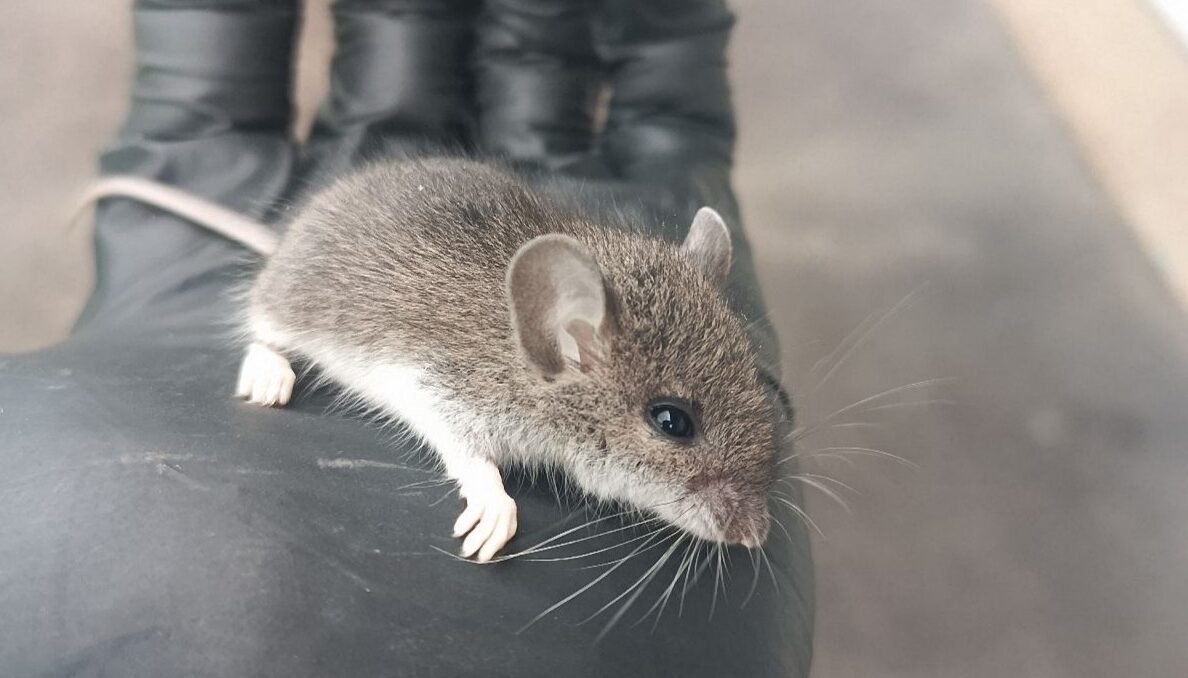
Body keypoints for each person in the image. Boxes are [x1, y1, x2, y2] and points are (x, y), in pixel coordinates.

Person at [0, 1, 814, 675]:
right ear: (564, 343)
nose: (750, 521)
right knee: (283, 316)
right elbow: (430, 389)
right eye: (672, 423)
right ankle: (266, 337)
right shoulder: (510, 372)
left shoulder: (600, 352)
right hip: (332, 268)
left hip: (468, 216)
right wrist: (480, 481)